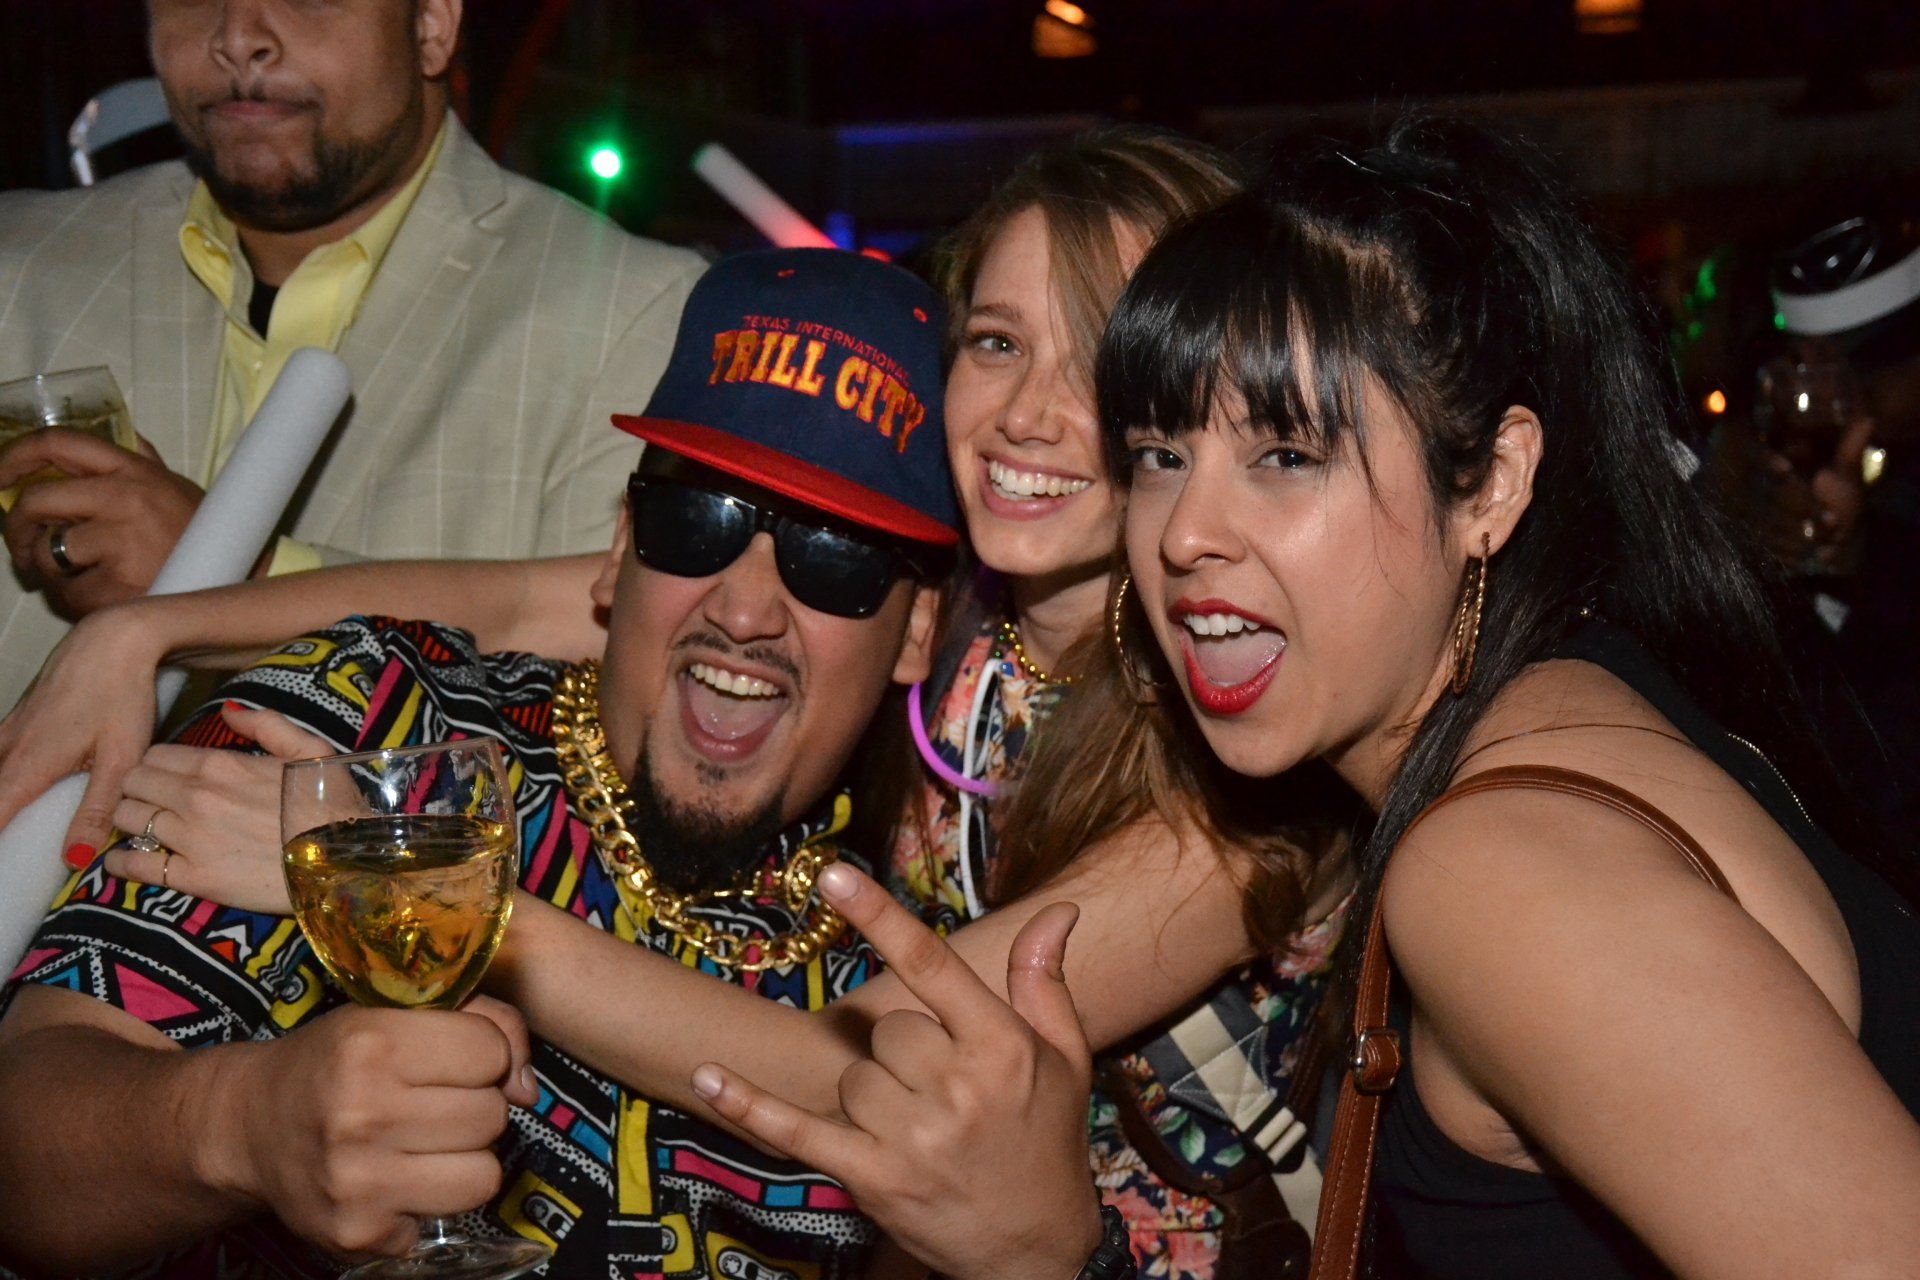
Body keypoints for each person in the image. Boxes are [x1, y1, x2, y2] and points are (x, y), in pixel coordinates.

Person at [0, 129, 1355, 1279]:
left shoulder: (1248, 747)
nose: (1030, 414)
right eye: (997, 341)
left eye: (833, 553)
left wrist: (418, 887)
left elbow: (874, 1064)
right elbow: (512, 602)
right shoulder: (959, 625)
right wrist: (152, 627)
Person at [696, 118, 1920, 1280]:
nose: (1186, 532)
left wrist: (1047, 1254)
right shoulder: (1573, 688)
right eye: (1160, 453)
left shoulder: (1497, 867)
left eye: (1285, 454)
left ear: (1492, 481)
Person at [0, 248, 953, 1278]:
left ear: (916, 633)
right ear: (619, 549)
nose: (746, 609)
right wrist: (238, 1121)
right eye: (696, 520)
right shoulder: (366, 721)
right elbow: (25, 1143)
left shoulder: (915, 946)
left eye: (836, 558)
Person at [0, 0, 704, 709]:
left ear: (432, 24)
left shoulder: (631, 313)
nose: (238, 38)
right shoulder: (18, 269)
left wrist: (228, 576)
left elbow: (597, 714)